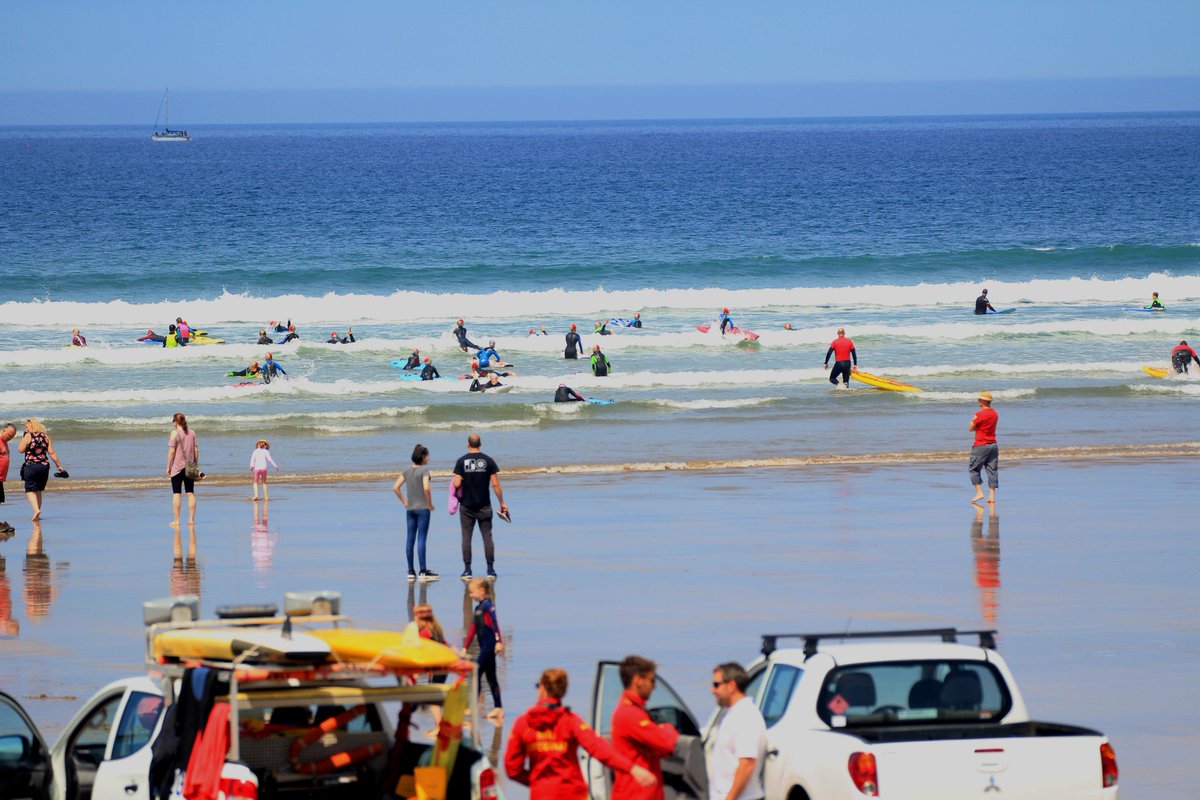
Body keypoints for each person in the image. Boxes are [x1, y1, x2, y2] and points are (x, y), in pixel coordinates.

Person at [506, 668, 657, 799]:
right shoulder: (571, 721)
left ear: (542, 689)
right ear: (563, 691)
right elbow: (599, 749)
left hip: (541, 794)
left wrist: (536, 782)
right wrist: (633, 768)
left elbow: (512, 768)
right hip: (573, 793)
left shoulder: (523, 723)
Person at [611, 655, 679, 800]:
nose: (654, 686)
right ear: (638, 680)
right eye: (652, 680)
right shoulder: (630, 714)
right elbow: (666, 743)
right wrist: (667, 727)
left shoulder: (632, 710)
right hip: (636, 793)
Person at [708, 662, 767, 800]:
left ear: (731, 686)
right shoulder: (733, 714)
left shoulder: (746, 716)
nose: (712, 690)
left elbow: (747, 763)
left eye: (716, 685)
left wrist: (730, 798)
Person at [452, 433, 508, 580]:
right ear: (480, 444)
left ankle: (467, 570)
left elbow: (457, 483)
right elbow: (495, 484)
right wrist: (502, 502)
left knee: (466, 538)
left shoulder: (461, 461)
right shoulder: (488, 461)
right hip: (484, 505)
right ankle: (490, 570)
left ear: (467, 444)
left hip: (466, 506)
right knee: (487, 537)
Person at [394, 443, 438, 582]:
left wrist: (405, 502)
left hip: (410, 509)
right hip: (423, 509)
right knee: (421, 539)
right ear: (423, 457)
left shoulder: (406, 471)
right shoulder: (425, 471)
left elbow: (395, 488)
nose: (429, 458)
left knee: (410, 538)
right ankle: (423, 571)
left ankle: (411, 571)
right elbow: (426, 488)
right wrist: (429, 504)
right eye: (427, 456)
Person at [462, 577, 504, 722]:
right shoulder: (478, 608)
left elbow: (495, 623)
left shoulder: (488, 606)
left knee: (477, 672)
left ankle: (474, 705)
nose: (470, 595)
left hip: (490, 645)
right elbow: (473, 629)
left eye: (472, 592)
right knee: (491, 677)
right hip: (484, 645)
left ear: (482, 590)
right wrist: (464, 647)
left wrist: (499, 642)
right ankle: (498, 708)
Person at [18, 419, 65, 523]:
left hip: (31, 466)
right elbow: (52, 452)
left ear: (32, 426)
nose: (26, 428)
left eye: (27, 426)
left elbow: (20, 450)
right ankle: (38, 514)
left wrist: (23, 439)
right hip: (44, 466)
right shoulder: (46, 437)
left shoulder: (28, 436)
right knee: (39, 490)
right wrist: (59, 466)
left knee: (30, 489)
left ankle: (36, 510)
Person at [167, 412, 199, 527]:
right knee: (190, 493)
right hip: (190, 466)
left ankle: (177, 520)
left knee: (177, 494)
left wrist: (168, 466)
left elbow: (171, 451)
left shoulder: (174, 433)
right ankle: (191, 519)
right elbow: (196, 450)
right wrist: (195, 464)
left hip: (177, 467)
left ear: (175, 422)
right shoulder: (192, 433)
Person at [968, 391, 999, 505]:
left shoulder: (979, 414)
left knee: (974, 469)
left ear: (983, 401)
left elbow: (970, 427)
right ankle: (992, 496)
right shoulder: (995, 413)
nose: (978, 400)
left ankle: (979, 492)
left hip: (981, 444)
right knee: (992, 469)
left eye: (979, 399)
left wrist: (975, 424)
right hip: (993, 444)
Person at [0, 422, 17, 517]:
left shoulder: (4, 442)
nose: (10, 438)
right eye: (9, 435)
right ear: (3, 430)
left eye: (12, 437)